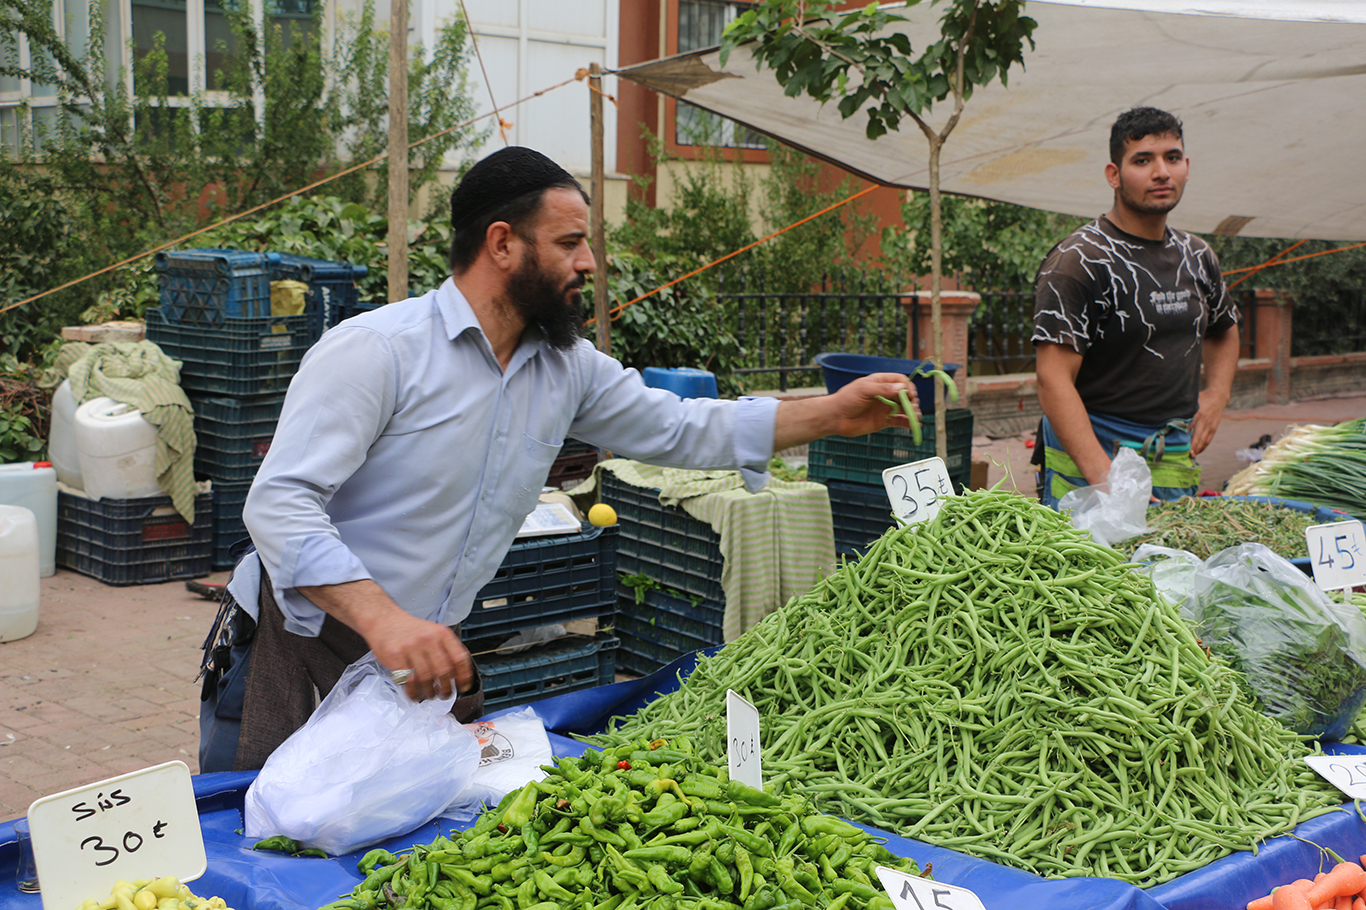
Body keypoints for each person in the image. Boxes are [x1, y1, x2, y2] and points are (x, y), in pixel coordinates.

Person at [198, 146, 918, 772]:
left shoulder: (566, 367)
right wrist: (385, 621)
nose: (589, 263)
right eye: (571, 242)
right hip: (299, 640)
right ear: (503, 244)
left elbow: (679, 428)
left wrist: (831, 414)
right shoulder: (379, 351)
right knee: (262, 846)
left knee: (379, 858)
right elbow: (279, 504)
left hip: (418, 659)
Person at [1031, 107, 1241, 508]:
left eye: (1172, 158)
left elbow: (1224, 327)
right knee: (1094, 570)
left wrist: (1217, 394)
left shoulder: (1196, 255)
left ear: (1186, 166)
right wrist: (1105, 481)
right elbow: (1052, 380)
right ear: (1114, 175)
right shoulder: (1079, 260)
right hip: (1092, 459)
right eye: (1142, 160)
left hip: (1173, 454)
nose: (1161, 172)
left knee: (1168, 568)